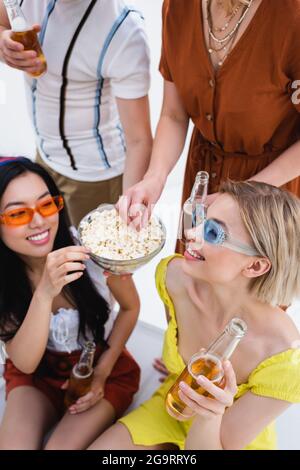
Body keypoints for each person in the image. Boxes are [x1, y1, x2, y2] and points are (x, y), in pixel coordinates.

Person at [89, 181, 300, 450]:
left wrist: (210, 413)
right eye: (202, 220)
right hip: (173, 404)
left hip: (222, 436)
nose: (191, 232)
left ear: (256, 265)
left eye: (212, 233)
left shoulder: (285, 358)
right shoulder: (174, 277)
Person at [119, 0, 300, 245]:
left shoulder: (292, 16)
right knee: (192, 273)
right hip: (202, 179)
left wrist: (243, 194)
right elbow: (174, 114)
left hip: (270, 193)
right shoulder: (177, 7)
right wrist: (154, 178)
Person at [0, 157, 140, 450]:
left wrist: (101, 372)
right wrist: (44, 292)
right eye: (17, 214)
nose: (38, 221)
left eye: (46, 204)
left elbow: (130, 307)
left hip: (103, 366)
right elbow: (25, 363)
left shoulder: (92, 249)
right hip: (38, 375)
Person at [0, 0, 152, 226]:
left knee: (89, 256)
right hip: (44, 156)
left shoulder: (124, 30)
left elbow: (139, 140)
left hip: (93, 177)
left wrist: (129, 208)